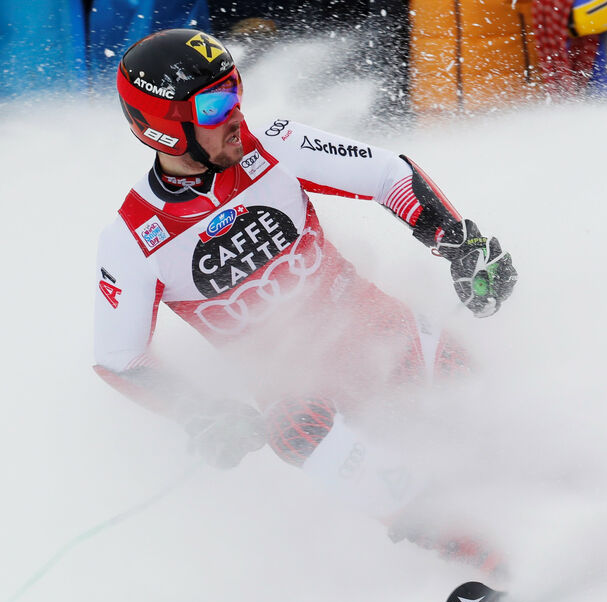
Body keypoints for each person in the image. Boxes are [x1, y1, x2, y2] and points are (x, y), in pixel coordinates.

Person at [94, 28, 516, 570]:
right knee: (292, 430)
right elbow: (120, 359)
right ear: (165, 129)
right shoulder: (132, 237)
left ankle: (592, 493)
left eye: (236, 90)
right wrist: (202, 414)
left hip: (382, 335)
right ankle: (473, 548)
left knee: (488, 417)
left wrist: (459, 243)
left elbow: (387, 175)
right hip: (303, 391)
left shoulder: (273, 141)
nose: (236, 113)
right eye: (216, 102)